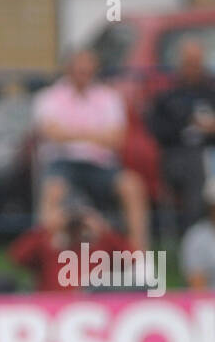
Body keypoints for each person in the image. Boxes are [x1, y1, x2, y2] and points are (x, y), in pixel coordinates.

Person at [33, 49, 148, 249]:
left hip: (100, 165)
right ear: (68, 68)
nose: (83, 71)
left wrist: (71, 133)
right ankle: (47, 257)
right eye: (79, 66)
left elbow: (116, 139)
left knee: (132, 186)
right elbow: (51, 133)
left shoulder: (109, 97)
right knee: (52, 191)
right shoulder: (49, 97)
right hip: (62, 163)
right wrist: (95, 135)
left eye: (88, 67)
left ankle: (138, 257)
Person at [146, 40, 215, 229]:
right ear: (179, 66)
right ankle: (195, 235)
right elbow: (157, 131)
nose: (193, 69)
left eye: (197, 63)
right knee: (198, 166)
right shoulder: (167, 97)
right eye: (189, 63)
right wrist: (191, 124)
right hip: (179, 157)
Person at [8, 198, 136, 293]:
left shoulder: (101, 245)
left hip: (93, 306)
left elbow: (131, 258)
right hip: (53, 307)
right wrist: (47, 228)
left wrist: (103, 230)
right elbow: (17, 257)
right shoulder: (47, 243)